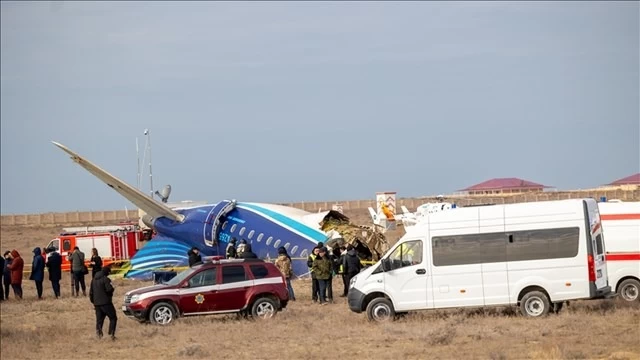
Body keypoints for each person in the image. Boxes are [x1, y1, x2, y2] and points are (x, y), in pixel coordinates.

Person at [90, 265, 117, 340]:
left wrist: (93, 302)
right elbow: (109, 290)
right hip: (106, 303)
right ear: (106, 272)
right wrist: (112, 289)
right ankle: (111, 334)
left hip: (97, 303)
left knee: (99, 320)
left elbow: (91, 293)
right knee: (113, 318)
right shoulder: (106, 279)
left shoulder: (93, 280)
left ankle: (99, 335)